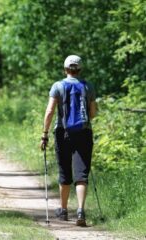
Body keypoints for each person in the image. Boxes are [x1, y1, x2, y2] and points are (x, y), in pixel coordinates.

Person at [40, 55, 97, 227]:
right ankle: (80, 210)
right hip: (84, 133)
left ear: (65, 69)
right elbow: (93, 113)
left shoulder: (58, 86)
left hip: (62, 133)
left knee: (65, 171)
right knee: (82, 174)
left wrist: (45, 134)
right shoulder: (88, 86)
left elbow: (50, 111)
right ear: (80, 69)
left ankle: (63, 210)